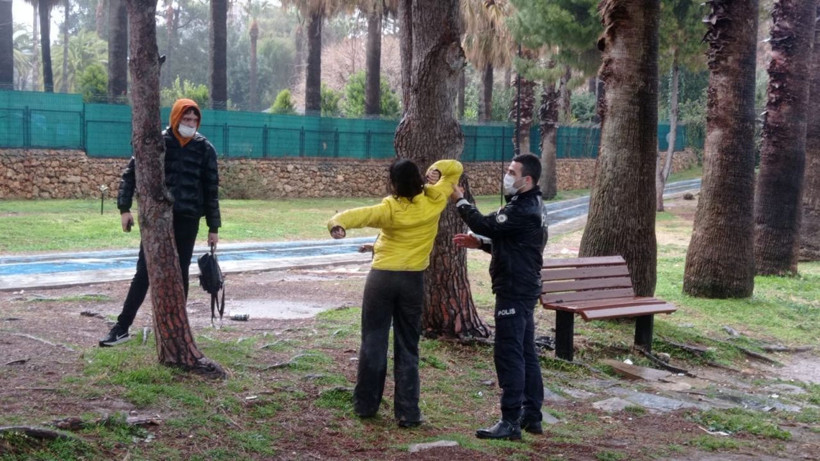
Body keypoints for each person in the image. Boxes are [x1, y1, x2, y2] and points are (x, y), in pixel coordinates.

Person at [327, 158, 463, 427]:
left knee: (373, 342)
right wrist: (437, 170)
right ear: (420, 180)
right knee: (408, 346)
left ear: (394, 184)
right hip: (412, 281)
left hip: (382, 280)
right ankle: (408, 412)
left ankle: (366, 406)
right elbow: (455, 168)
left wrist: (336, 223)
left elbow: (360, 215)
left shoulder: (389, 209)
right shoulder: (435, 199)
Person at [99, 99, 221, 347]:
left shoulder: (205, 148)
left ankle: (176, 328)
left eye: (194, 119)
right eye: (186, 119)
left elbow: (211, 190)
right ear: (176, 118)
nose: (191, 124)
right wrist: (124, 209)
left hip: (188, 220)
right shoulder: (158, 143)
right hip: (158, 220)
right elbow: (130, 174)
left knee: (180, 273)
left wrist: (213, 228)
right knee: (144, 272)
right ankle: (122, 327)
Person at [451, 153, 548, 440]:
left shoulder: (523, 208)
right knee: (526, 352)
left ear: (526, 179)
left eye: (511, 171)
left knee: (509, 353)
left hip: (514, 290)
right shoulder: (532, 204)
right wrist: (480, 244)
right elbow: (513, 245)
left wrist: (460, 199)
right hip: (523, 286)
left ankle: (510, 421)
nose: (507, 175)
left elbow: (485, 224)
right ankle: (532, 416)